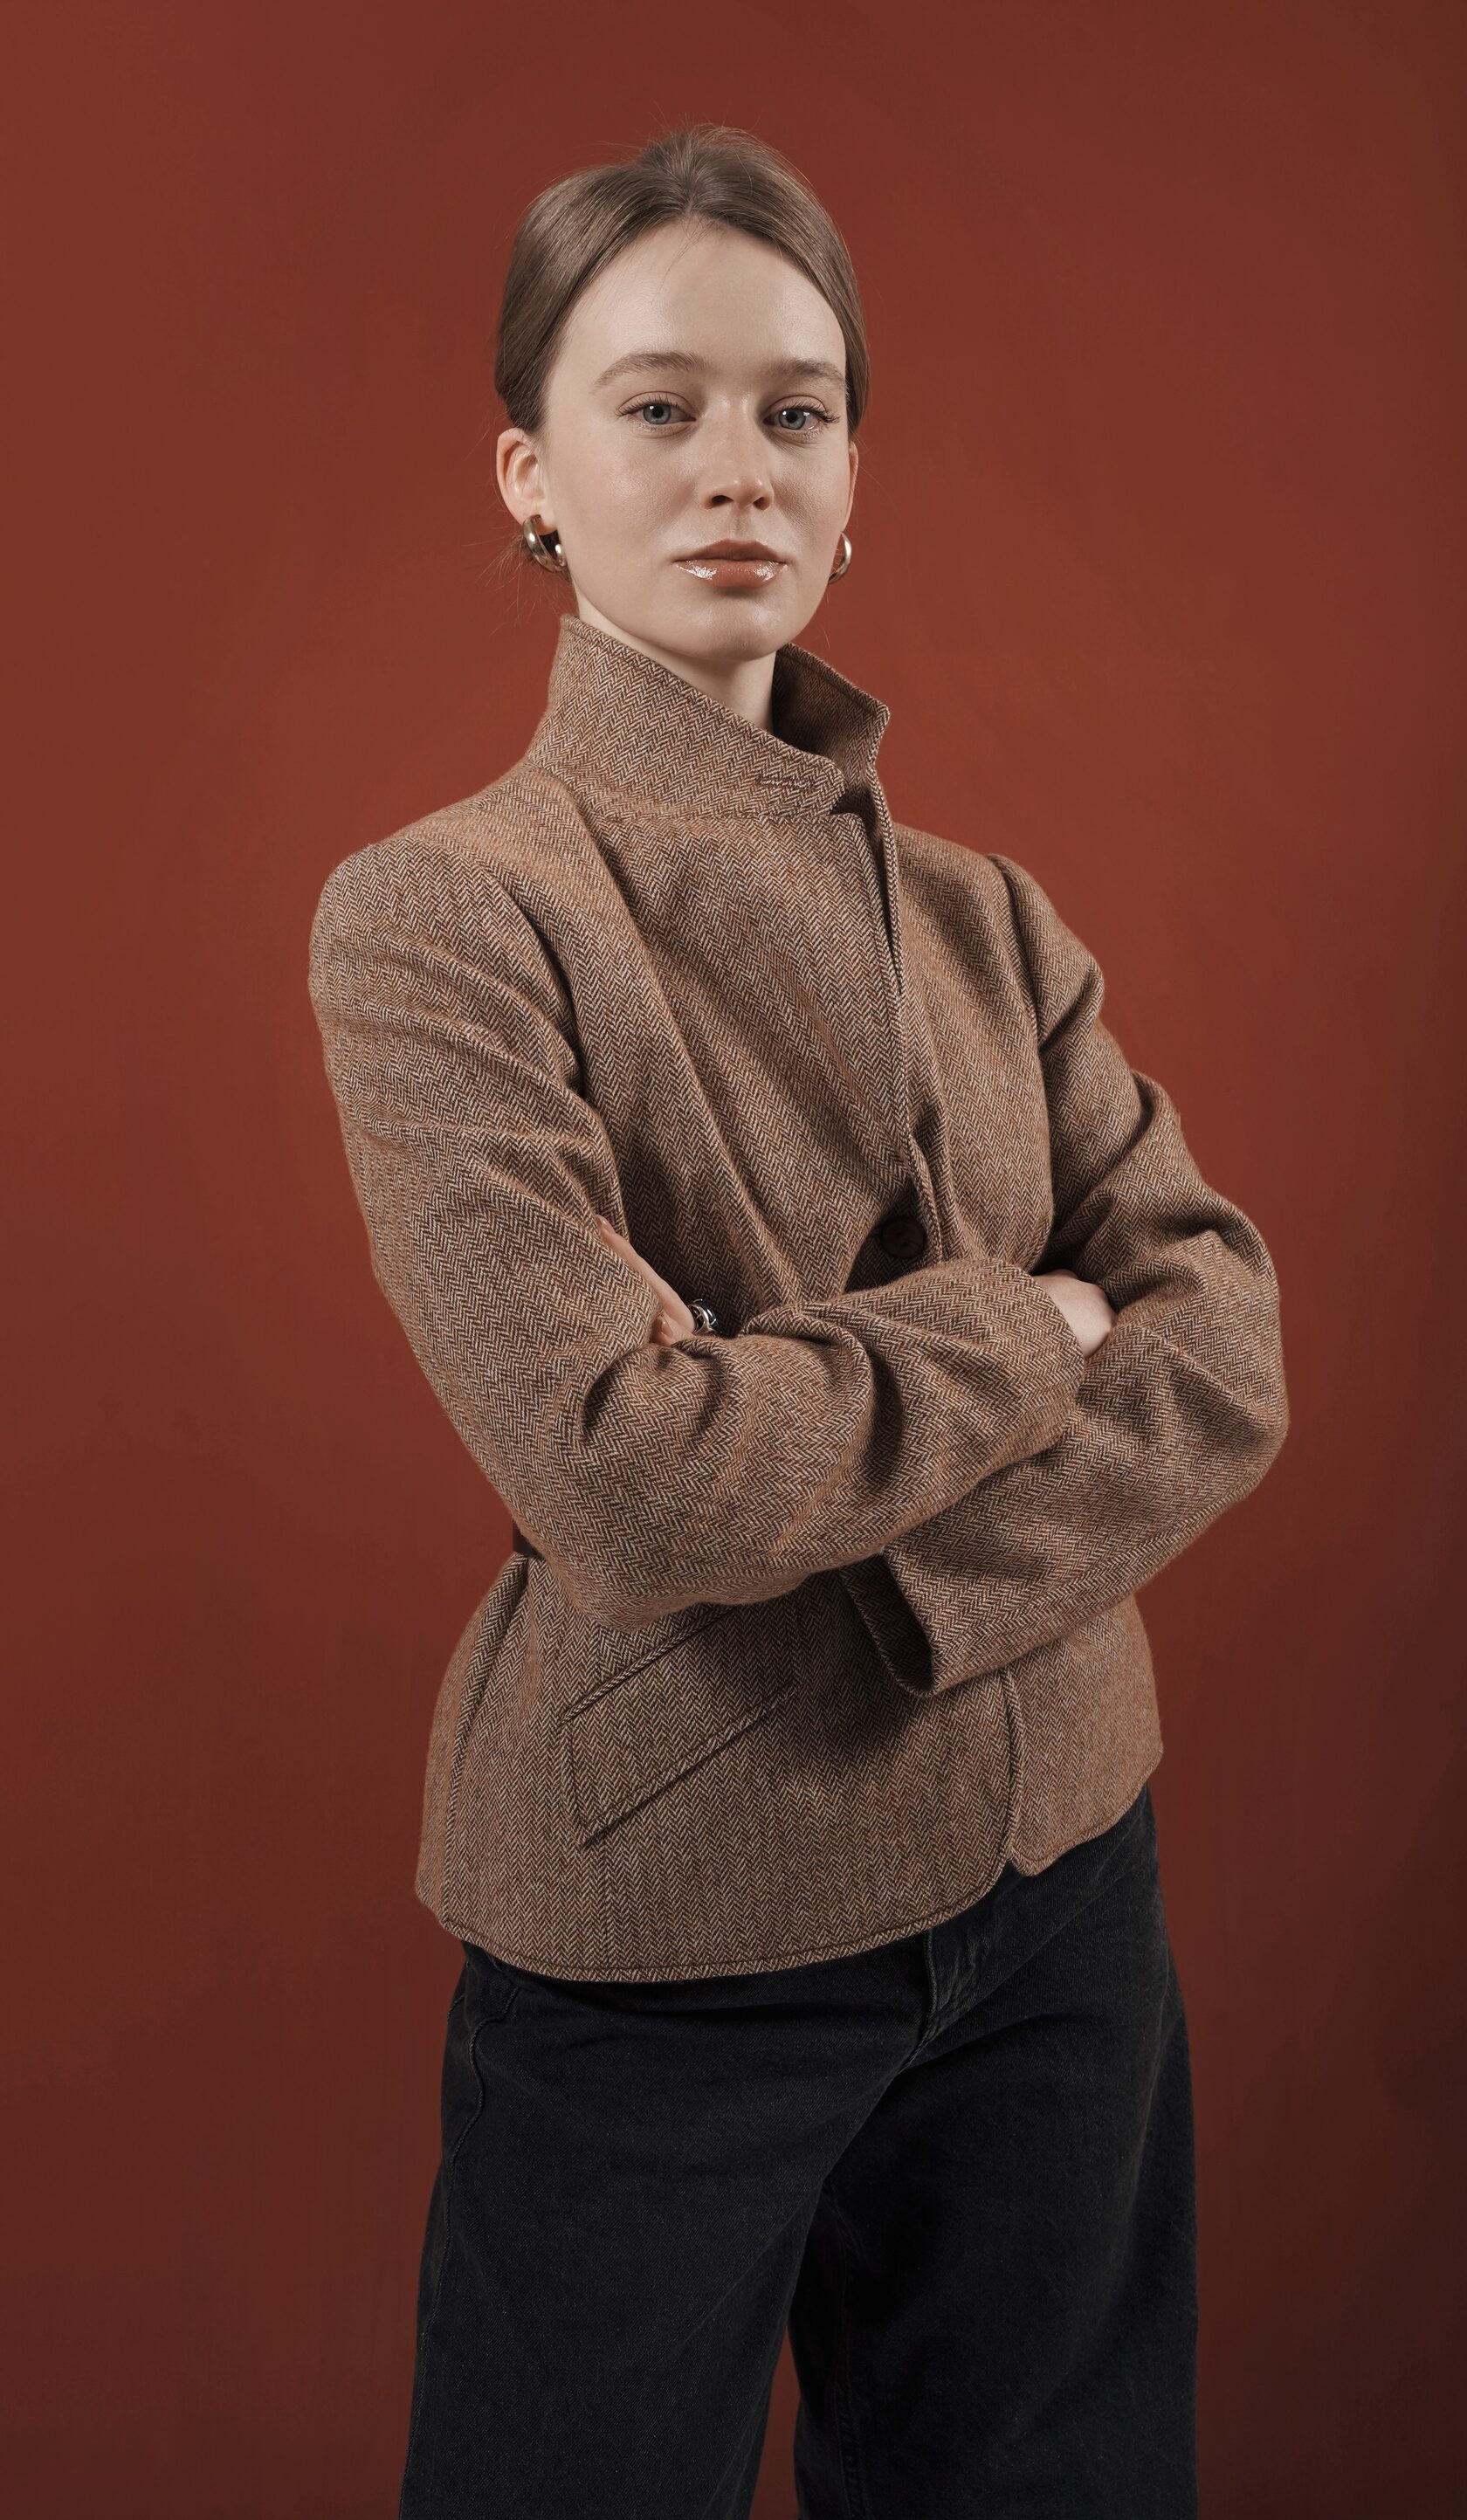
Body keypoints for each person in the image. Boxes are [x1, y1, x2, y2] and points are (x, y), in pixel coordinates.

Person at [307, 121, 1288, 2520]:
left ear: (854, 480)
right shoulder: (446, 913)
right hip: (672, 1915)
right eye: (658, 407)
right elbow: (626, 1477)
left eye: (798, 410)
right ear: (531, 476)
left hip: (1067, 1879)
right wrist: (1033, 1330)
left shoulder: (993, 918)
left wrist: (828, 1453)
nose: (737, 465)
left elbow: (1229, 1345)